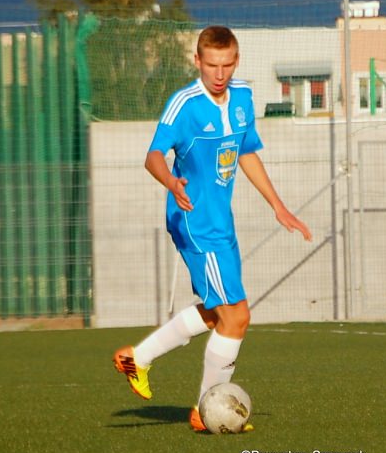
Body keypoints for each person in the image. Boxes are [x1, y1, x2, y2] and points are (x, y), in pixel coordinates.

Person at [112, 25, 312, 432]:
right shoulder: (184, 104)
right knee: (237, 316)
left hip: (221, 222)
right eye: (211, 65)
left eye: (226, 65)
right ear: (197, 61)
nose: (218, 74)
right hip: (193, 220)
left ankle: (138, 357)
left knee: (214, 310)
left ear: (235, 62)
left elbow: (247, 153)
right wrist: (171, 182)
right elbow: (152, 156)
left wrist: (279, 206)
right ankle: (206, 411)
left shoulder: (242, 98)